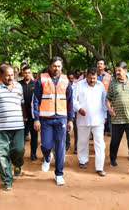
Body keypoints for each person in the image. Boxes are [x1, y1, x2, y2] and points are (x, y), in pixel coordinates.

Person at [33, 56, 74, 186]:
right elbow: (35, 101)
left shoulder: (66, 80)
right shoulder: (42, 79)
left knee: (60, 147)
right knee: (45, 145)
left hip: (61, 118)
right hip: (45, 118)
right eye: (54, 66)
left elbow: (70, 102)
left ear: (61, 67)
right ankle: (47, 156)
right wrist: (36, 119)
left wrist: (70, 120)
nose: (56, 68)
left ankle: (59, 174)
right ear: (50, 66)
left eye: (59, 66)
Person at [0, 65, 26, 191]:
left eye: (12, 75)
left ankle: (17, 163)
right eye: (7, 75)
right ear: (1, 76)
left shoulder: (19, 86)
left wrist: (25, 118)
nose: (10, 78)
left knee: (19, 150)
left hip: (18, 126)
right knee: (2, 154)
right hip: (1, 128)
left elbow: (22, 103)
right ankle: (7, 180)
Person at [106, 61, 129, 177]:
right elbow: (108, 99)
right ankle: (112, 159)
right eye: (116, 70)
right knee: (115, 142)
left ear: (126, 71)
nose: (117, 72)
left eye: (119, 70)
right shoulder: (113, 84)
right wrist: (109, 109)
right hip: (116, 119)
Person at [74, 67, 107, 176]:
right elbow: (73, 99)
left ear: (97, 77)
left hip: (98, 119)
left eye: (94, 78)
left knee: (100, 144)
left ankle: (99, 167)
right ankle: (82, 160)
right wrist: (79, 108)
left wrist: (105, 115)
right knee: (82, 141)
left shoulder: (101, 85)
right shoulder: (79, 85)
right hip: (83, 118)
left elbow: (104, 101)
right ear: (85, 76)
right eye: (90, 78)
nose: (92, 80)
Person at [19, 66, 38, 161]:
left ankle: (33, 153)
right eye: (25, 73)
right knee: (20, 135)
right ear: (22, 73)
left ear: (31, 73)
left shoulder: (35, 84)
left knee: (34, 135)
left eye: (29, 72)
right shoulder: (18, 85)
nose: (27, 74)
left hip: (33, 114)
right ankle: (20, 153)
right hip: (21, 114)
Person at [97, 58, 112, 136]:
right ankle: (98, 133)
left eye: (101, 64)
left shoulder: (109, 76)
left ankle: (109, 131)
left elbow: (112, 88)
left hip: (107, 100)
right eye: (98, 63)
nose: (99, 65)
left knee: (108, 116)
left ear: (105, 66)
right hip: (96, 101)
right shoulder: (93, 75)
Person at [66, 72, 78, 152]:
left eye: (72, 78)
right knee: (66, 129)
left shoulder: (77, 86)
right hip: (66, 111)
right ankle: (67, 144)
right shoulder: (64, 85)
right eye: (69, 78)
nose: (70, 80)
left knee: (76, 130)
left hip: (75, 111)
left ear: (74, 79)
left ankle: (76, 147)